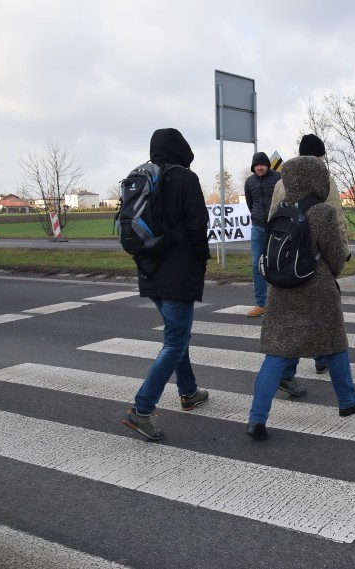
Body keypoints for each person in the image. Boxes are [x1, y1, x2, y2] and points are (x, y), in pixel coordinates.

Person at [247, 156, 355, 441]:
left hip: (281, 290)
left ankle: (256, 420)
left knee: (276, 354)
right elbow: (337, 260)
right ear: (317, 179)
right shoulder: (322, 212)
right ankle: (348, 402)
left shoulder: (279, 209)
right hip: (317, 291)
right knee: (334, 346)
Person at [122, 128, 211, 441]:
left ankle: (188, 392)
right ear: (180, 148)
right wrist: (202, 257)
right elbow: (198, 225)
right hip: (178, 273)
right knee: (174, 342)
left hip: (149, 271)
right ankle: (142, 409)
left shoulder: (144, 177)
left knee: (178, 335)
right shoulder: (186, 179)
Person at [268, 134, 347, 396]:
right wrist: (342, 254)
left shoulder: (282, 181)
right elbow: (335, 218)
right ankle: (323, 362)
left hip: (285, 262)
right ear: (320, 156)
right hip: (314, 262)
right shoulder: (325, 180)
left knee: (292, 324)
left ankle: (287, 374)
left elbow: (272, 220)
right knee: (324, 320)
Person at [244, 151, 280, 317]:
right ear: (253, 167)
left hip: (277, 227)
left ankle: (280, 302)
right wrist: (257, 216)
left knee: (277, 264)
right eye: (256, 165)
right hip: (257, 227)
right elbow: (250, 204)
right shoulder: (249, 182)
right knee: (256, 265)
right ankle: (260, 304)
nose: (259, 167)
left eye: (262, 164)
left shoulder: (279, 178)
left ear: (267, 165)